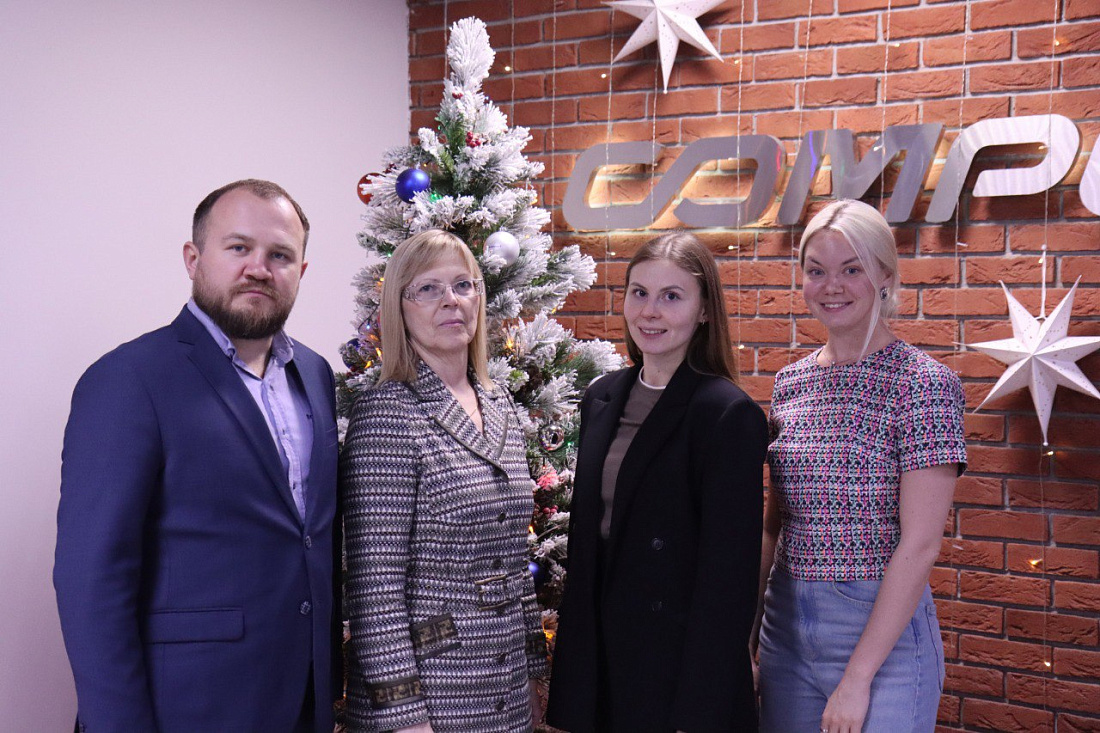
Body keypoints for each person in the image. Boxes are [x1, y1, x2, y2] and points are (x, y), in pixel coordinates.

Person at [54, 179, 340, 733]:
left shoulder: (316, 374)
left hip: (304, 700)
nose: (259, 268)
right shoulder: (129, 378)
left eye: (280, 255)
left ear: (301, 272)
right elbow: (91, 579)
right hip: (188, 706)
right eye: (239, 247)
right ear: (193, 258)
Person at [754, 199, 966, 733]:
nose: (832, 286)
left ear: (885, 277)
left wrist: (857, 678)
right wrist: (746, 632)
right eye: (817, 271)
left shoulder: (923, 384)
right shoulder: (790, 383)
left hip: (881, 640)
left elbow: (921, 545)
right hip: (785, 628)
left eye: (852, 270)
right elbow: (773, 525)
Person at [546, 231, 768, 733]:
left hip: (677, 670)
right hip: (602, 658)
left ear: (704, 310)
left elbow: (727, 583)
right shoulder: (602, 397)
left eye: (671, 296)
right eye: (639, 293)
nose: (650, 311)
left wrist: (698, 712)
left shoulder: (726, 413)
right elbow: (589, 551)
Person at [340, 229, 549, 732]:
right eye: (428, 289)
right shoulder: (387, 415)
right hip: (430, 700)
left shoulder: (500, 405)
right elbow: (374, 590)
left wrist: (533, 672)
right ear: (400, 307)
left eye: (462, 284)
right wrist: (404, 717)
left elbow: (513, 561)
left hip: (505, 693)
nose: (450, 300)